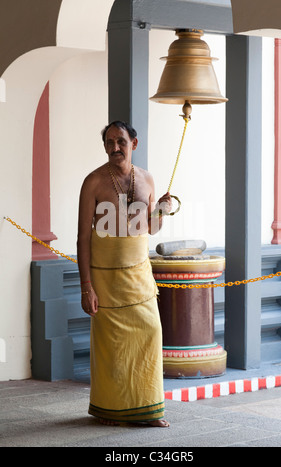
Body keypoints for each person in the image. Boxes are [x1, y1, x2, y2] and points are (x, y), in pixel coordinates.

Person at [77, 121, 171, 427]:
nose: (114, 148)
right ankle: (110, 410)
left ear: (134, 143)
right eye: (109, 143)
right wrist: (86, 287)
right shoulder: (93, 182)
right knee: (112, 346)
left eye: (120, 142)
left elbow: (151, 227)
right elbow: (83, 238)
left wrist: (164, 210)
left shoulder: (147, 179)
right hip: (104, 279)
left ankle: (151, 409)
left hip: (139, 275)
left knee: (151, 332)